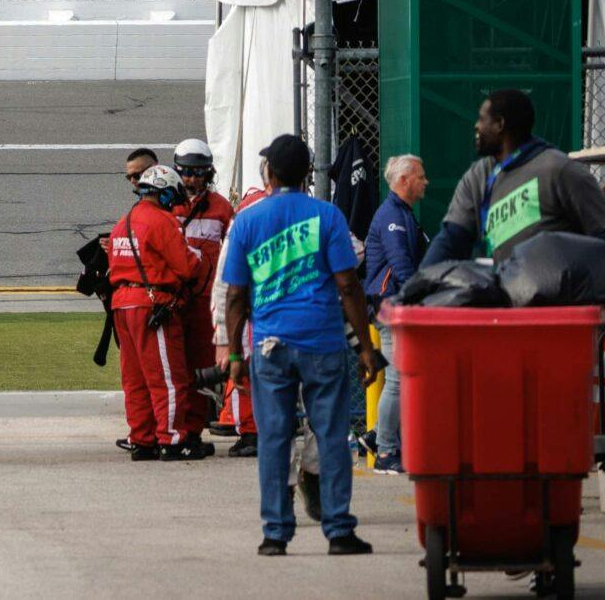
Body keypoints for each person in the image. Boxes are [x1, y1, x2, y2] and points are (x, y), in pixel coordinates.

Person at [222, 134, 378, 556]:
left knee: (274, 438)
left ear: (268, 172)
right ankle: (339, 530)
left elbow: (235, 294)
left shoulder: (248, 222)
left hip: (272, 346)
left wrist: (235, 353)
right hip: (323, 343)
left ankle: (275, 533)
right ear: (309, 173)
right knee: (330, 436)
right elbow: (348, 285)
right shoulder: (327, 217)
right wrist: (365, 346)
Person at [421, 87, 605, 265]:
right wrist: (415, 289)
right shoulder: (478, 175)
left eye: (482, 118)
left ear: (500, 124)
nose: (476, 126)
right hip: (503, 293)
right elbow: (451, 239)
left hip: (556, 298)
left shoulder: (559, 170)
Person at [108, 161, 209, 459]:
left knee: (135, 379)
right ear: (165, 193)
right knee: (168, 377)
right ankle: (172, 439)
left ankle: (142, 438)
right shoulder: (162, 222)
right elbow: (187, 266)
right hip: (153, 305)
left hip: (122, 305)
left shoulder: (122, 222)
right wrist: (200, 259)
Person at [362, 154, 426, 474]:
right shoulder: (393, 215)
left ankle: (378, 436)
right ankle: (385, 449)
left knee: (403, 378)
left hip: (393, 305)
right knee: (399, 379)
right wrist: (419, 301)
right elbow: (401, 265)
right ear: (403, 180)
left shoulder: (401, 214)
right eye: (420, 176)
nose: (425, 182)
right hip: (392, 307)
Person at [172, 138, 235, 428]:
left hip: (205, 298)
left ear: (208, 173)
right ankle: (176, 417)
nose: (191, 178)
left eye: (198, 172)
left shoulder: (221, 208)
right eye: (185, 171)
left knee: (202, 362)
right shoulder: (168, 204)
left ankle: (198, 418)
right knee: (173, 362)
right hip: (174, 296)